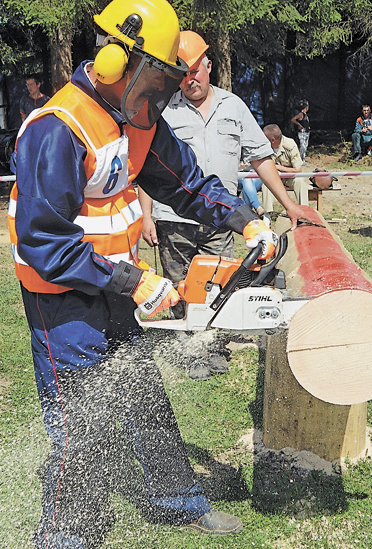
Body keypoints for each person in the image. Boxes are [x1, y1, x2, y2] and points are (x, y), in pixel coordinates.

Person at [7, 0, 291, 549]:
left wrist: (247, 220)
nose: (162, 96)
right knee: (79, 420)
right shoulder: (57, 129)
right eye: (158, 80)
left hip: (116, 288)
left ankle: (174, 502)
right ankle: (64, 538)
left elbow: (186, 181)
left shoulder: (137, 122)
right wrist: (136, 279)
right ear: (118, 60)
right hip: (61, 297)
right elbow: (42, 242)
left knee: (144, 398)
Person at [140, 31, 317, 378]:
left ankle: (214, 346)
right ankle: (191, 352)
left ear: (209, 66)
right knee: (181, 288)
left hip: (223, 219)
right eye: (184, 73)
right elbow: (146, 167)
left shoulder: (233, 106)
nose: (191, 79)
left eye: (197, 70)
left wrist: (290, 205)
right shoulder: (164, 111)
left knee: (220, 283)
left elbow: (261, 158)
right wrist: (146, 215)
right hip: (173, 220)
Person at [260, 124, 310, 213]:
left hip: (290, 178)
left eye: (264, 137)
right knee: (266, 186)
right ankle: (268, 215)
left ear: (272, 140)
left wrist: (278, 167)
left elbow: (298, 170)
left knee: (300, 182)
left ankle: (305, 212)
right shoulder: (264, 147)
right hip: (275, 178)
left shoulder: (290, 145)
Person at [290, 99, 310, 163]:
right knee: (302, 146)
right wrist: (299, 124)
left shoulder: (305, 115)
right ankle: (300, 159)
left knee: (305, 146)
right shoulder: (301, 114)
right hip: (302, 132)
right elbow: (293, 119)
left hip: (307, 132)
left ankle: (303, 158)